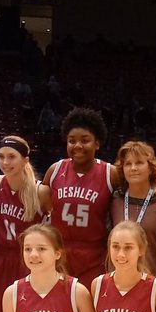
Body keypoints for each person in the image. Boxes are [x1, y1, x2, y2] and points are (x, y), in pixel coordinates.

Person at [0, 136, 50, 312]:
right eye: (1, 156)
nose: (5, 162)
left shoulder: (41, 192)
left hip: (29, 262)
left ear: (25, 160)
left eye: (12, 157)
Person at [42, 107, 116, 286]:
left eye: (85, 140)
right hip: (59, 255)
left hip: (95, 257)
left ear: (97, 143)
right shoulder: (55, 170)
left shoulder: (110, 173)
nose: (77, 146)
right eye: (71, 141)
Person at [110, 141, 156, 280]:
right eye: (128, 164)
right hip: (119, 282)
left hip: (155, 280)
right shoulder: (115, 199)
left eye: (139, 163)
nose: (133, 168)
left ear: (151, 167)